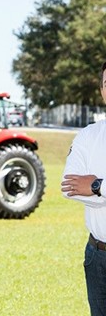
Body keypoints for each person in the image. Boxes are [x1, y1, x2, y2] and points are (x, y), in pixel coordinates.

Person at [61, 61, 106, 315]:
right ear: (101, 90)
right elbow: (68, 186)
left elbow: (88, 187)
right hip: (98, 256)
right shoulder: (88, 136)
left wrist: (96, 186)